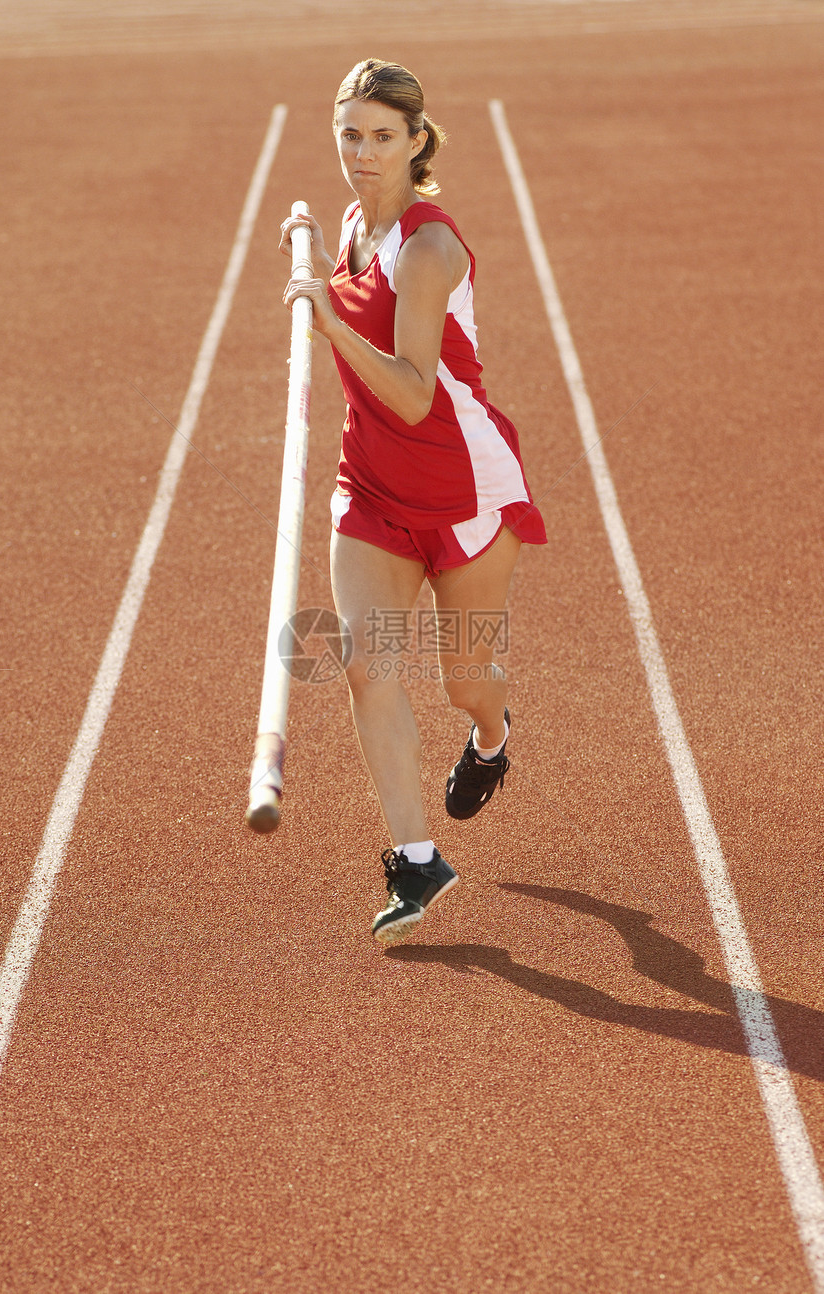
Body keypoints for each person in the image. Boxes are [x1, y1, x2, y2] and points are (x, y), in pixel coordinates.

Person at [279, 58, 546, 945]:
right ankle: (418, 858)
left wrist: (327, 319)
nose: (362, 152)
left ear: (417, 141)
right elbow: (351, 312)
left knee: (464, 679)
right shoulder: (354, 222)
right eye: (349, 134)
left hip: (464, 490)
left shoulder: (430, 246)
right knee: (364, 662)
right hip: (374, 489)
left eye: (382, 136)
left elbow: (413, 392)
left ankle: (492, 737)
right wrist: (314, 259)